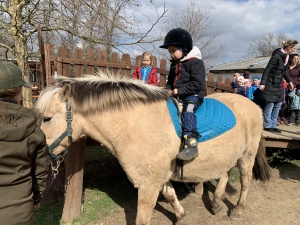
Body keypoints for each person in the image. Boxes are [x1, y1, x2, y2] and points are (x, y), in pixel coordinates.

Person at [0, 62, 49, 224]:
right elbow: (40, 172)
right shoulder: (33, 130)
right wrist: (37, 198)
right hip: (18, 213)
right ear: (18, 93)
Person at [159, 28, 205, 161]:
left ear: (184, 49)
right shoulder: (174, 65)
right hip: (177, 94)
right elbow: (170, 82)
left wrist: (179, 91)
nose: (171, 54)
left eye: (173, 50)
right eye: (169, 51)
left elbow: (197, 84)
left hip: (193, 94)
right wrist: (167, 90)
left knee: (188, 110)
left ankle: (191, 145)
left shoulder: (196, 62)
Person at [260, 39, 298, 133]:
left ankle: (273, 124)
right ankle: (267, 125)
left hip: (278, 84)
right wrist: (262, 83)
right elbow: (268, 69)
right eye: (294, 48)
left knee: (278, 104)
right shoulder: (276, 56)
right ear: (289, 47)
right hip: (270, 83)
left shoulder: (287, 57)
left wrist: (289, 81)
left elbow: (284, 71)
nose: (294, 50)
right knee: (270, 104)